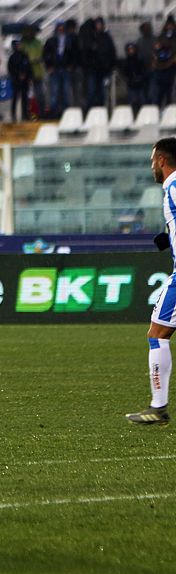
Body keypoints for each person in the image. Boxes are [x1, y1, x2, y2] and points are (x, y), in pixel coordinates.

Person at [125, 137, 176, 426]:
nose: (151, 167)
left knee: (156, 335)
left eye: (152, 161)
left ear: (161, 161)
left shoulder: (173, 185)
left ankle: (158, 408)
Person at [43, 21, 79, 117]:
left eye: (62, 28)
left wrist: (71, 65)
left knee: (66, 91)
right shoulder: (51, 41)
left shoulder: (70, 40)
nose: (61, 30)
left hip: (65, 69)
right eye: (59, 28)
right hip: (55, 69)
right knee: (55, 91)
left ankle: (66, 111)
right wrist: (49, 66)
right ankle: (54, 111)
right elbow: (46, 54)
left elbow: (75, 54)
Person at [81, 17, 116, 109]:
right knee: (91, 91)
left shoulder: (106, 37)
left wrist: (110, 67)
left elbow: (112, 53)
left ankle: (101, 109)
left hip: (103, 69)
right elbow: (86, 51)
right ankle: (90, 109)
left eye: (100, 23)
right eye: (97, 24)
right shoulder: (90, 36)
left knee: (102, 92)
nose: (99, 25)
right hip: (92, 69)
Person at [20, 25, 45, 118]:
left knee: (40, 95)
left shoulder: (37, 43)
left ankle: (41, 113)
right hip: (26, 74)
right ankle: (26, 114)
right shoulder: (22, 44)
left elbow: (40, 55)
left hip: (37, 72)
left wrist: (31, 60)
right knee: (25, 96)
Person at [8, 39, 33, 122]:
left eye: (20, 45)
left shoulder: (25, 56)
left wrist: (28, 77)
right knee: (15, 98)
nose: (19, 46)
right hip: (16, 81)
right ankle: (13, 115)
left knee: (25, 98)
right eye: (17, 45)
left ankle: (25, 115)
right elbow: (11, 69)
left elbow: (29, 67)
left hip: (25, 81)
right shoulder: (12, 57)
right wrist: (18, 75)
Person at [122, 42, 149, 116]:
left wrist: (141, 78)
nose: (131, 51)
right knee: (132, 102)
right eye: (129, 50)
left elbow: (144, 71)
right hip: (131, 85)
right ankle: (133, 116)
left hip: (140, 84)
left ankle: (143, 116)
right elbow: (125, 73)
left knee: (142, 101)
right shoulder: (126, 61)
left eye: (132, 49)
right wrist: (130, 79)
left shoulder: (140, 60)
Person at [137, 22, 156, 104]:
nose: (146, 30)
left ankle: (152, 105)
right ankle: (144, 105)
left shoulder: (155, 40)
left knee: (152, 91)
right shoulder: (139, 41)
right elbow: (137, 55)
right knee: (143, 91)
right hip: (142, 69)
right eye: (144, 29)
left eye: (147, 28)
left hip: (153, 69)